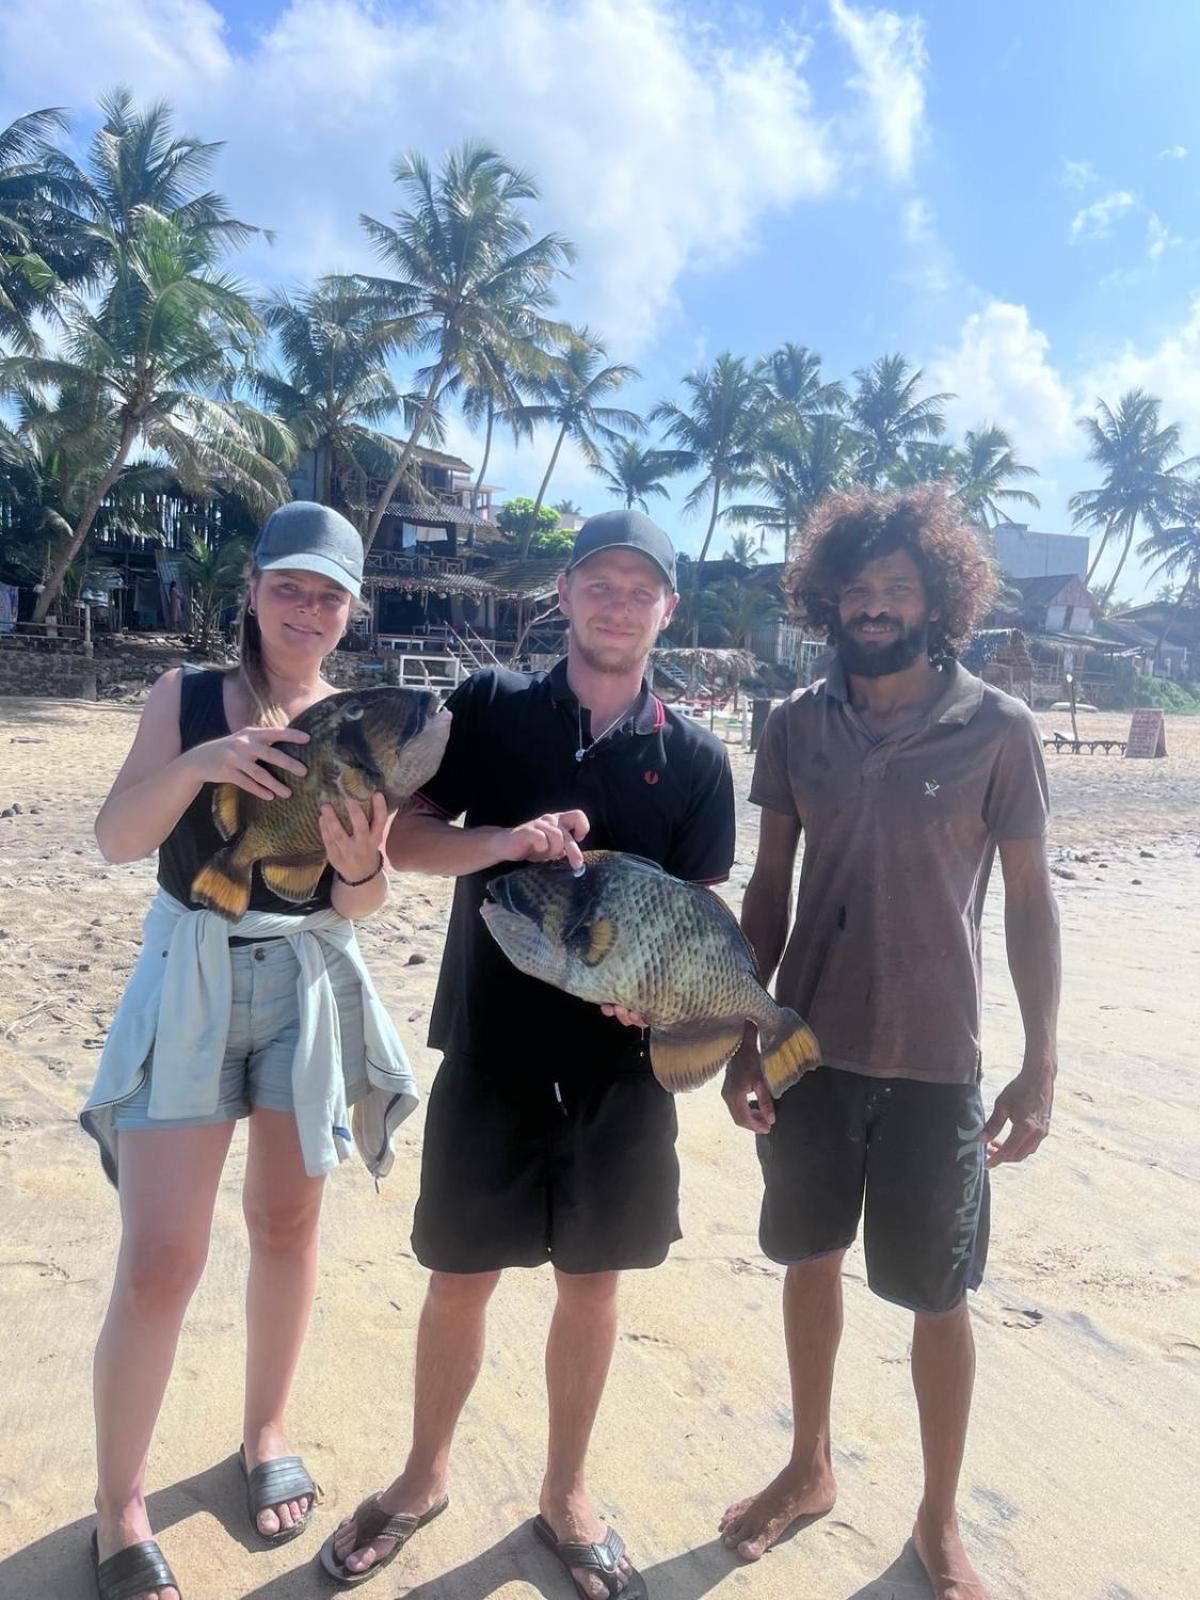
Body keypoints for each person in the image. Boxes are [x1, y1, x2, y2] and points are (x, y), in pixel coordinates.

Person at [322, 510, 736, 1596]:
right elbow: (401, 841)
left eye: (637, 588)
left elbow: (697, 918)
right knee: (459, 1279)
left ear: (666, 609)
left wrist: (661, 1003)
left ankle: (565, 1490)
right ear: (564, 592)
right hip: (492, 1048)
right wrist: (501, 842)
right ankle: (422, 1475)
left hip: (620, 1076)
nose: (615, 602)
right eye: (597, 582)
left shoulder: (693, 756)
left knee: (593, 1289)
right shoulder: (493, 708)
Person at [718, 487, 1060, 1600]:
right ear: (827, 598)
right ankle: (809, 1463)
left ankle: (936, 1515)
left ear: (938, 597)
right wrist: (743, 1029)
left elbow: (1026, 901)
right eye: (857, 588)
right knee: (806, 1258)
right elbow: (769, 887)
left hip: (939, 1062)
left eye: (898, 587)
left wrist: (1041, 1057)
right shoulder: (793, 724)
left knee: (937, 1296)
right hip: (809, 1046)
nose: (875, 605)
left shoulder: (1000, 728)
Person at [82, 503, 422, 1600]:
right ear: (254, 588)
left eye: (331, 594)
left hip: (307, 980)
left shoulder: (358, 725)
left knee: (286, 1223)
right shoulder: (182, 696)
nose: (309, 609)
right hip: (190, 974)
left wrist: (364, 862)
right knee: (161, 1260)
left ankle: (263, 1425)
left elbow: (361, 904)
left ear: (351, 608)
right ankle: (119, 1502)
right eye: (291, 586)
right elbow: (116, 837)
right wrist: (209, 759)